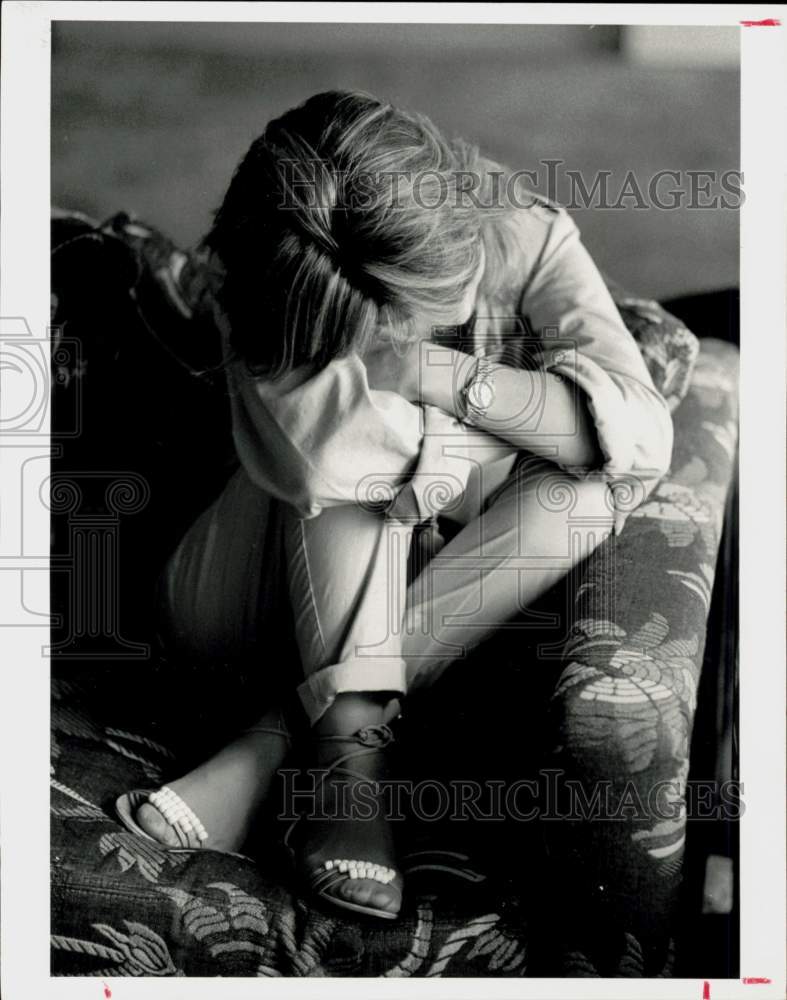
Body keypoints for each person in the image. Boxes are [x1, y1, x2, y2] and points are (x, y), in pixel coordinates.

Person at [116, 90, 674, 921]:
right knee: (357, 473)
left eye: (394, 326)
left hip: (423, 603)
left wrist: (428, 374)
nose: (372, 344)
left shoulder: (522, 231)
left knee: (590, 489)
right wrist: (517, 435)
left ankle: (274, 744)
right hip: (236, 604)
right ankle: (350, 772)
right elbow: (327, 456)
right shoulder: (279, 264)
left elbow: (643, 435)